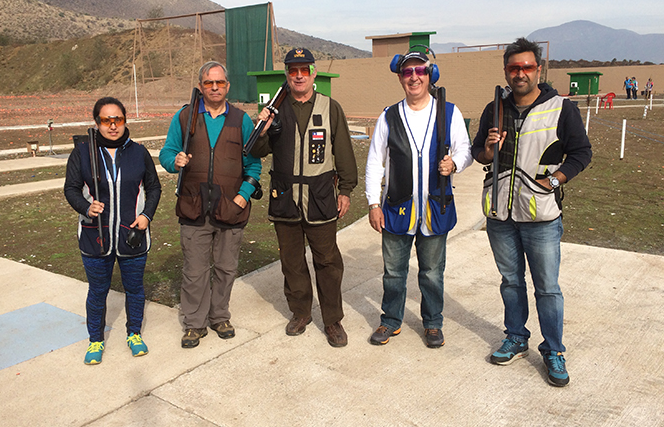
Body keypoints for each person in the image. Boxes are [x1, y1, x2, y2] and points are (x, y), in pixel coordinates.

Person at [472, 38, 592, 387]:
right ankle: (516, 337)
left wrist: (554, 180)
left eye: (526, 67)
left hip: (541, 215)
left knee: (547, 288)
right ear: (506, 72)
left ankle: (553, 350)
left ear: (538, 69)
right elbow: (479, 154)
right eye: (514, 68)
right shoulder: (494, 108)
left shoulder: (561, 108)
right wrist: (489, 150)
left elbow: (581, 153)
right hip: (500, 214)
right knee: (511, 282)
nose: (520, 73)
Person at [365, 48, 472, 348]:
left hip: (436, 206)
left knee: (433, 274)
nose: (414, 77)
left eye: (420, 71)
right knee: (393, 273)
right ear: (400, 77)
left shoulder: (448, 112)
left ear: (430, 74)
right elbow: (375, 162)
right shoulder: (389, 116)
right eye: (407, 72)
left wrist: (455, 164)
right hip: (396, 207)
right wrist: (373, 203)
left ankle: (433, 323)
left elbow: (465, 149)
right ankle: (390, 320)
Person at [251, 48, 358, 347]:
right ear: (287, 74)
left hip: (320, 197)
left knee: (328, 262)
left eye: (304, 70)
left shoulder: (330, 107)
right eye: (293, 70)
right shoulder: (275, 109)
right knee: (292, 261)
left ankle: (332, 320)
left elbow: (343, 151)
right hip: (285, 196)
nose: (299, 76)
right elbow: (257, 151)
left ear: (313, 73)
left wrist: (346, 190)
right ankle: (300, 313)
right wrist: (262, 128)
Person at [159, 61, 261, 349]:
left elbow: (253, 165)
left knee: (226, 268)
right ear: (201, 86)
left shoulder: (241, 120)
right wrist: (174, 161)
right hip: (194, 206)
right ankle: (194, 323)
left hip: (231, 208)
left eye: (219, 82)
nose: (214, 87)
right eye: (208, 83)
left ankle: (219, 316)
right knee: (195, 271)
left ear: (227, 86)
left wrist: (242, 196)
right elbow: (167, 152)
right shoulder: (184, 117)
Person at [64, 97, 161, 365]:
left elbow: (154, 187)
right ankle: (95, 339)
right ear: (97, 123)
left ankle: (134, 334)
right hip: (95, 236)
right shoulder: (83, 152)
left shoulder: (138, 152)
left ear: (125, 120)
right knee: (97, 291)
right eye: (106, 120)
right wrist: (86, 207)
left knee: (135, 289)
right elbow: (71, 188)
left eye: (118, 119)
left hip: (132, 234)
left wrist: (146, 215)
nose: (113, 125)